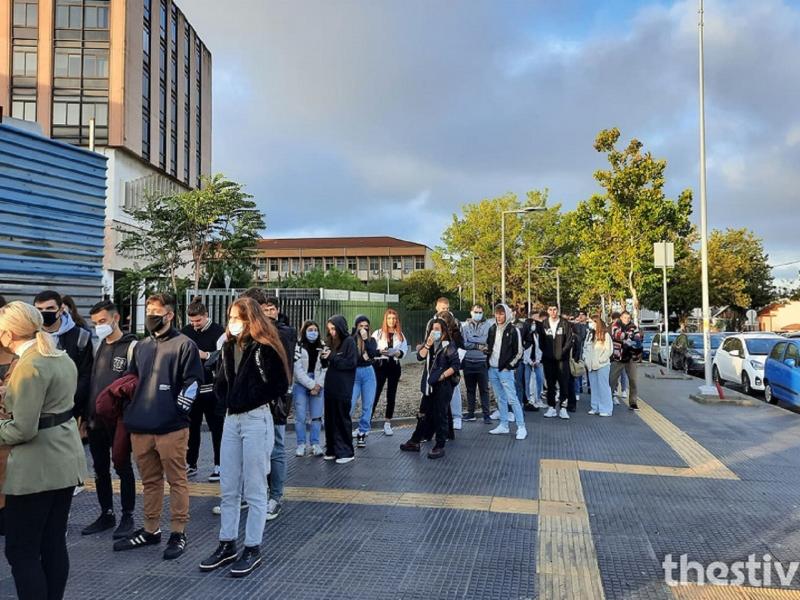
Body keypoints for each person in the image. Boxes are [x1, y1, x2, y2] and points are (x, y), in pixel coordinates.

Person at [0, 301, 88, 600]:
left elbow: (22, 429)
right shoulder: (59, 356)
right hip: (65, 461)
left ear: (8, 334)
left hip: (35, 470)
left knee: (22, 551)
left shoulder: (28, 366)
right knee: (52, 543)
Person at [199, 297, 289, 578]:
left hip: (256, 418)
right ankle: (227, 544)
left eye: (237, 318)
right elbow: (221, 381)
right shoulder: (227, 346)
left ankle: (252, 547)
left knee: (254, 486)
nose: (232, 323)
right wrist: (226, 398)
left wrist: (247, 397)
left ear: (251, 320)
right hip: (232, 419)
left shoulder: (265, 348)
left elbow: (278, 384)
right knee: (228, 486)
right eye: (230, 318)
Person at [113, 293, 203, 560]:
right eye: (149, 309)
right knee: (150, 482)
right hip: (141, 427)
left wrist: (177, 410)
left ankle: (178, 532)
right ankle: (151, 529)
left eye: (156, 310)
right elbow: (132, 379)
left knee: (177, 481)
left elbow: (193, 382)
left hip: (172, 428)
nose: (151, 314)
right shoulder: (141, 346)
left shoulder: (185, 344)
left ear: (170, 314)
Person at [81, 300, 138, 539]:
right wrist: (85, 416)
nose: (98, 327)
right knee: (100, 469)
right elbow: (93, 383)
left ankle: (127, 515)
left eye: (102, 322)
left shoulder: (133, 347)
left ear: (115, 318)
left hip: (120, 420)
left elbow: (136, 384)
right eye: (95, 323)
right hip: (96, 420)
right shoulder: (99, 346)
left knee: (122, 466)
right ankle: (106, 513)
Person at [400, 318, 461, 459]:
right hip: (429, 385)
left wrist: (442, 376)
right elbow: (420, 357)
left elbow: (455, 365)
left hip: (443, 385)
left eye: (438, 329)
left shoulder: (448, 346)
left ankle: (439, 445)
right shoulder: (430, 344)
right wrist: (427, 345)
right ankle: (415, 441)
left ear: (444, 331)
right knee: (423, 413)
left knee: (441, 414)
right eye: (433, 329)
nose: (435, 332)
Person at [33, 290, 93, 426]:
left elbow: (85, 375)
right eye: (39, 309)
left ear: (60, 310)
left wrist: (73, 404)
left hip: (68, 412)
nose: (44, 313)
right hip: (35, 410)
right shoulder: (29, 336)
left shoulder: (80, 337)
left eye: (50, 308)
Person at [181, 299, 226, 482]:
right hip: (193, 389)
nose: (195, 325)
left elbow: (223, 357)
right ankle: (191, 463)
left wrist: (205, 355)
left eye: (198, 320)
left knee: (217, 429)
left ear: (206, 315)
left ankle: (220, 464)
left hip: (213, 389)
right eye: (192, 321)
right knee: (192, 428)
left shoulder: (219, 332)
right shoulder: (185, 332)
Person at [261, 296, 295, 522]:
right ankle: (259, 493)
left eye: (271, 309)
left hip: (279, 395)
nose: (268, 313)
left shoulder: (285, 331)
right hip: (259, 394)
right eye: (264, 310)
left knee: (277, 446)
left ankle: (275, 496)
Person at [486, 304, 527, 440]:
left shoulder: (514, 330)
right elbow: (490, 346)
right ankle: (504, 424)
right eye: (497, 313)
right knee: (500, 398)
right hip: (492, 369)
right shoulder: (492, 329)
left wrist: (509, 366)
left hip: (505, 370)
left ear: (507, 314)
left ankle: (521, 426)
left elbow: (519, 352)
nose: (498, 316)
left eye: (502, 313)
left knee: (512, 398)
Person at [320, 316, 357, 464]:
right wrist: (324, 356)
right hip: (331, 386)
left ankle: (346, 451)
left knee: (342, 419)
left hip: (343, 387)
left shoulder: (349, 342)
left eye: (334, 328)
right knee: (330, 419)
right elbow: (326, 363)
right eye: (330, 329)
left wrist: (333, 356)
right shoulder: (330, 342)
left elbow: (350, 363)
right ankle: (332, 449)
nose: (332, 332)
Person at [371, 309, 408, 436]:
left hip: (394, 365)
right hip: (380, 364)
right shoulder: (378, 333)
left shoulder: (400, 335)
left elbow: (404, 350)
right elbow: (371, 349)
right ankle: (366, 422)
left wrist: (398, 353)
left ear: (397, 320)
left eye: (394, 318)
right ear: (385, 320)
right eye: (389, 318)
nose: (391, 321)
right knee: (375, 394)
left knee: (391, 395)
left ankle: (387, 423)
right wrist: (380, 351)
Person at [293, 321, 326, 457]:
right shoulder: (298, 346)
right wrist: (311, 385)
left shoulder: (323, 346)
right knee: (300, 416)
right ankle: (301, 444)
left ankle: (315, 443)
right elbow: (297, 369)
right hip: (302, 383)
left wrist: (318, 385)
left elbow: (325, 367)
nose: (313, 332)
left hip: (318, 383)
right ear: (304, 331)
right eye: (310, 329)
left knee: (316, 416)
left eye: (315, 330)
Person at [538, 305, 574, 420]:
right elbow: (541, 341)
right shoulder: (543, 324)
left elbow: (569, 341)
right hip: (548, 360)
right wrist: (547, 353)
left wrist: (561, 353)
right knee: (550, 384)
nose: (553, 312)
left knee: (564, 383)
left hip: (562, 360)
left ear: (558, 311)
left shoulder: (565, 324)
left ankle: (563, 407)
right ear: (547, 311)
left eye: (555, 310)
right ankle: (551, 407)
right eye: (550, 310)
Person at [350, 315, 379, 448]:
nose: (363, 329)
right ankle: (344, 429)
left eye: (365, 326)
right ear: (356, 326)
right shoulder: (351, 340)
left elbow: (373, 353)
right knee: (350, 404)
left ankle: (362, 432)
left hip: (368, 373)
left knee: (367, 405)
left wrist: (366, 340)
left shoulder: (371, 340)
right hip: (354, 373)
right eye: (360, 326)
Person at [461, 304, 493, 424]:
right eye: (476, 312)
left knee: (484, 389)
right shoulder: (464, 327)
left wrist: (472, 340)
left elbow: (488, 342)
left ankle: (486, 415)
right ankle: (470, 413)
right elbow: (464, 344)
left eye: (480, 312)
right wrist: (478, 345)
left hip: (482, 362)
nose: (478, 314)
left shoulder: (488, 326)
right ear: (471, 312)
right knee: (470, 390)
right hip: (468, 362)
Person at [610, 311, 643, 410]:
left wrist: (629, 336)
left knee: (633, 380)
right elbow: (616, 335)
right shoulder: (615, 325)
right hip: (618, 357)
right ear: (621, 317)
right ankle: (608, 398)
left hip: (631, 357)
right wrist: (630, 336)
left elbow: (638, 337)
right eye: (625, 317)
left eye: (628, 318)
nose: (627, 319)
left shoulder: (633, 326)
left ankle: (633, 402)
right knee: (612, 379)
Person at [583, 314, 614, 417]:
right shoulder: (589, 335)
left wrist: (601, 360)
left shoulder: (605, 335)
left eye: (592, 322)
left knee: (603, 387)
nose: (590, 324)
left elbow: (609, 350)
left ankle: (606, 408)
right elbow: (585, 349)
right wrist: (586, 359)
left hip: (602, 365)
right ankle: (595, 407)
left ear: (597, 323)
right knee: (594, 387)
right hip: (591, 365)